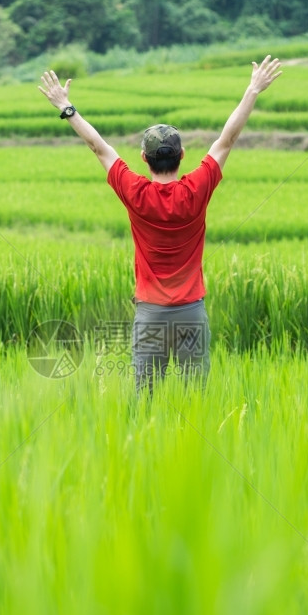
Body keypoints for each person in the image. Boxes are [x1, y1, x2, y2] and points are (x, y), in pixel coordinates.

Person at [39, 57, 282, 393]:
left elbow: (99, 147)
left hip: (150, 315)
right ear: (182, 156)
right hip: (191, 314)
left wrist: (66, 108)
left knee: (145, 402)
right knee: (194, 401)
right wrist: (253, 89)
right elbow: (227, 140)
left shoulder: (135, 191)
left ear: (144, 158)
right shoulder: (197, 189)